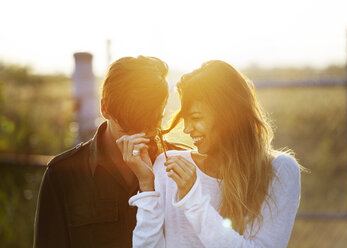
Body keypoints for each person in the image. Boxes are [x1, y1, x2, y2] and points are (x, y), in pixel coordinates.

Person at [122, 60, 302, 247]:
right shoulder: (168, 168)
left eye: (196, 118)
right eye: (185, 119)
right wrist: (146, 185)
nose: (187, 129)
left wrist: (193, 199)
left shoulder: (279, 170)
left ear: (228, 115)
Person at [34, 56, 173, 248]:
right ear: (104, 109)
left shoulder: (183, 166)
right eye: (127, 130)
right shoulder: (62, 175)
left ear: (162, 112)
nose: (137, 140)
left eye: (149, 127)